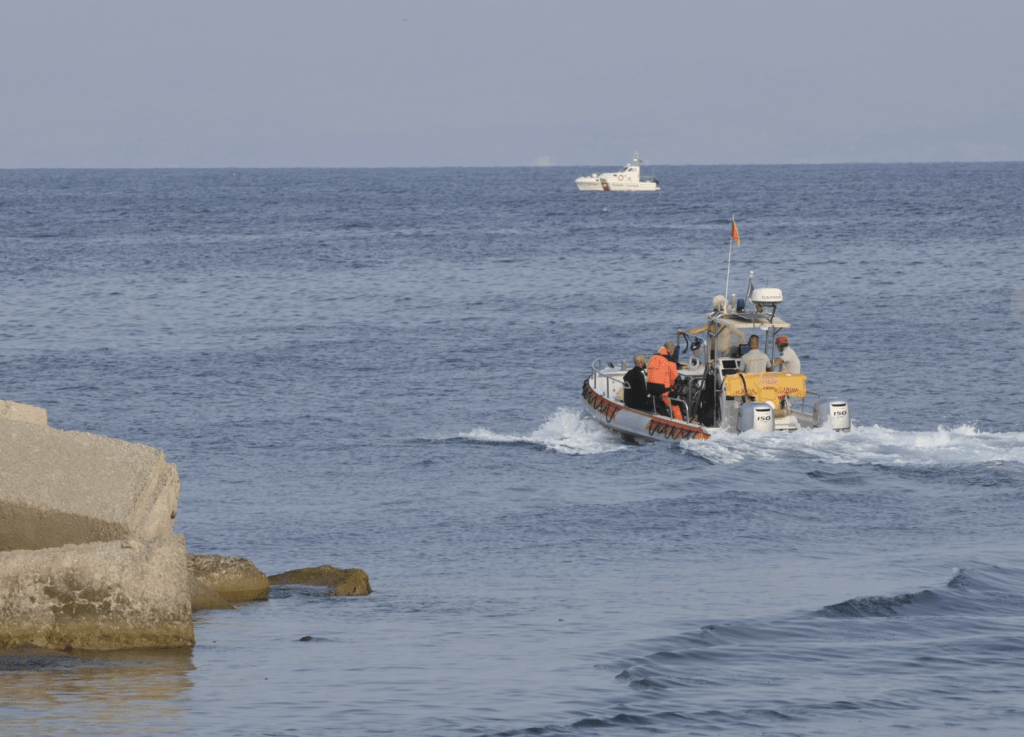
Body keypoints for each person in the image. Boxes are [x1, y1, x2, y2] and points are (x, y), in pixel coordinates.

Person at [647, 344, 683, 420]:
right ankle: (680, 422)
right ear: (670, 351)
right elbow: (675, 377)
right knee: (675, 403)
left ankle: (663, 414)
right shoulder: (669, 360)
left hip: (650, 388)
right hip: (662, 389)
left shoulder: (653, 358)